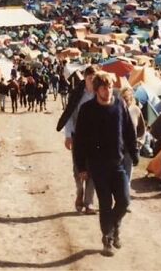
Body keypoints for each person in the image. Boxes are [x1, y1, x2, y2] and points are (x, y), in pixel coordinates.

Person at [74, 72, 138, 257]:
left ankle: (115, 226)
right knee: (105, 202)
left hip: (117, 163)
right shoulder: (87, 109)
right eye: (104, 87)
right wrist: (82, 167)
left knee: (124, 201)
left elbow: (128, 132)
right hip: (97, 165)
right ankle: (107, 239)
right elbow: (80, 141)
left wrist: (133, 154)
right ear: (96, 90)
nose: (108, 90)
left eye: (110, 86)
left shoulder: (120, 105)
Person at [56, 65, 100, 215]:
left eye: (95, 78)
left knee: (93, 170)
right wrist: (68, 135)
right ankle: (79, 192)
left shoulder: (100, 94)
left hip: (95, 139)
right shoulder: (77, 94)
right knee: (78, 170)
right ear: (85, 78)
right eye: (89, 78)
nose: (92, 81)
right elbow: (68, 115)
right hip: (78, 137)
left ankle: (89, 203)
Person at [119, 87, 146, 185]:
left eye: (128, 98)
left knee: (127, 177)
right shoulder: (117, 110)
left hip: (130, 149)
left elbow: (142, 129)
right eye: (124, 98)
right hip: (118, 149)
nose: (126, 100)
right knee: (117, 177)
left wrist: (139, 143)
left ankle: (125, 197)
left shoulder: (136, 110)